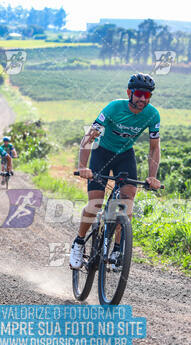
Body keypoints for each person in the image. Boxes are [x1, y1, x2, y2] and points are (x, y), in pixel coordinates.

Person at [69, 73, 162, 269]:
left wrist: (152, 176)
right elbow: (90, 136)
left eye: (147, 96)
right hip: (102, 153)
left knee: (126, 203)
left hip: (125, 155)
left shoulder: (153, 115)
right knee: (95, 204)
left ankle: (118, 249)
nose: (142, 99)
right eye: (138, 94)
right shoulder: (114, 107)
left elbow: (154, 147)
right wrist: (83, 167)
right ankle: (78, 243)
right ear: (130, 93)